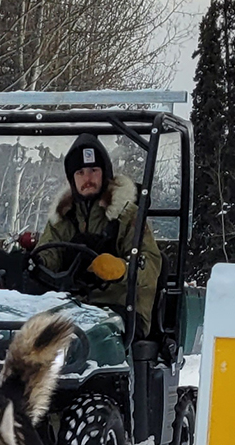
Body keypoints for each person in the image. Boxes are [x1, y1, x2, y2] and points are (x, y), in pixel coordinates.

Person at [32, 136, 156, 327]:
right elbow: (50, 251)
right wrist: (38, 262)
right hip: (71, 306)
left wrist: (122, 268)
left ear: (104, 173)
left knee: (81, 338)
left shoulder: (126, 214)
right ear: (72, 179)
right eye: (80, 172)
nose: (87, 178)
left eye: (93, 170)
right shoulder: (62, 217)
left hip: (119, 309)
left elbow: (151, 264)